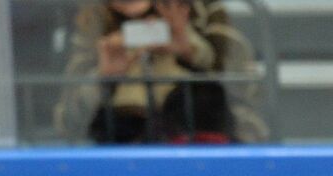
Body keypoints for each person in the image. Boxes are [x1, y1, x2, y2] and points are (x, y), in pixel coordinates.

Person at [53, 0, 261, 143]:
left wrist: (191, 51)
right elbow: (67, 123)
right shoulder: (93, 22)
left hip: (201, 153)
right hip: (121, 158)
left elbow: (247, 96)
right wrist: (103, 78)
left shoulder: (204, 10)